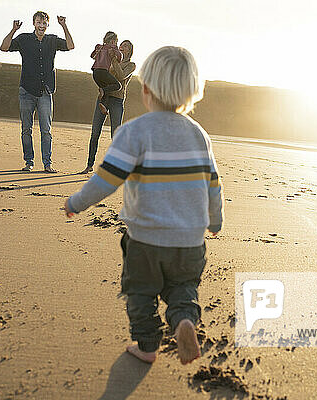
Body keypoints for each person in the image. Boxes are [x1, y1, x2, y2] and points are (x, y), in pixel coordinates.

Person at [64, 46, 224, 365]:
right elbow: (213, 184)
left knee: (140, 294)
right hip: (190, 243)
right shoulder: (199, 135)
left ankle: (148, 347)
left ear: (146, 89)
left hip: (146, 242)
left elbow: (106, 180)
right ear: (192, 91)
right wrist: (214, 221)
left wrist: (76, 202)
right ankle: (184, 322)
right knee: (182, 289)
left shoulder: (134, 132)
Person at [0, 11, 74, 173]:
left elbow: (70, 46)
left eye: (44, 23)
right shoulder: (24, 39)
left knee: (46, 130)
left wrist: (64, 25)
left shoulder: (52, 40)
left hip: (45, 92)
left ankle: (47, 164)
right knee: (26, 129)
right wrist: (13, 30)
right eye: (38, 22)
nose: (41, 26)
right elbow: (4, 47)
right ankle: (29, 162)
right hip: (26, 90)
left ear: (47, 25)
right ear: (34, 23)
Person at [79, 40, 136, 175]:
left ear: (130, 51)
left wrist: (114, 61)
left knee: (115, 135)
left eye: (126, 46)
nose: (122, 47)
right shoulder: (109, 59)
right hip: (104, 99)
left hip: (117, 100)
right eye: (121, 45)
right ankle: (89, 165)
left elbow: (121, 76)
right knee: (94, 133)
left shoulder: (131, 65)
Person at [91, 31, 123, 115]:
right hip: (103, 71)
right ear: (113, 40)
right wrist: (115, 49)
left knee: (106, 90)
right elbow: (120, 58)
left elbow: (92, 56)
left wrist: (97, 49)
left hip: (95, 73)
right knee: (117, 86)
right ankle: (102, 91)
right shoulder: (112, 48)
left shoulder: (99, 47)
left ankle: (103, 105)